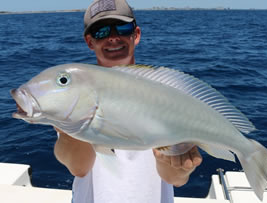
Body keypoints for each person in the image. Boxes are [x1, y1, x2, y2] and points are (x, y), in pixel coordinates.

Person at [54, 0, 202, 202]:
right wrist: (69, 129)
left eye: (122, 28)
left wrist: (181, 166)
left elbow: (175, 178)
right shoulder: (77, 94)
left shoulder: (167, 96)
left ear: (136, 35)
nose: (113, 38)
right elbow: (78, 167)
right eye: (101, 31)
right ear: (90, 42)